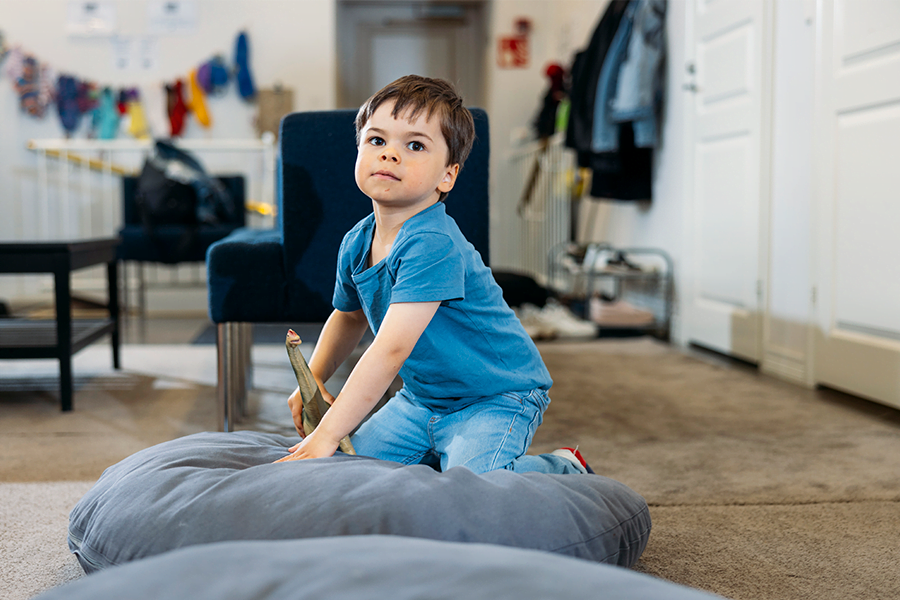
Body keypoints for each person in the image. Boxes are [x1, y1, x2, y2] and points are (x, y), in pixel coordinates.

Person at [275, 75, 592, 475]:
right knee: (351, 471)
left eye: (415, 145)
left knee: (468, 487)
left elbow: (390, 351)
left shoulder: (432, 243)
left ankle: (561, 467)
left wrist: (326, 435)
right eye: (377, 140)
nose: (390, 154)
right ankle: (436, 453)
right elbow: (349, 315)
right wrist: (314, 376)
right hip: (423, 399)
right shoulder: (357, 242)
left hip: (494, 396)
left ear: (448, 176)